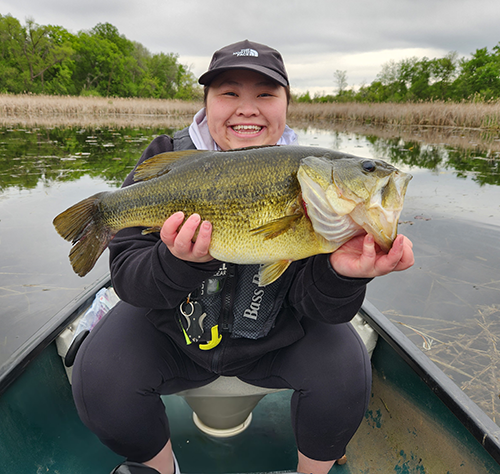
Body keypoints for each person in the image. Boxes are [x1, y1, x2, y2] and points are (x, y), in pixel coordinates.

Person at [72, 40, 414, 474]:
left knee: (347, 373)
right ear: (207, 103)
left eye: (266, 95)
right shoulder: (165, 158)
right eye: (229, 93)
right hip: (175, 337)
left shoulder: (315, 187)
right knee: (98, 378)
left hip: (274, 340)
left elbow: (320, 309)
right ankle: (161, 469)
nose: (247, 108)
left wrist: (342, 276)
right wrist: (176, 262)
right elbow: (127, 281)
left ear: (287, 105)